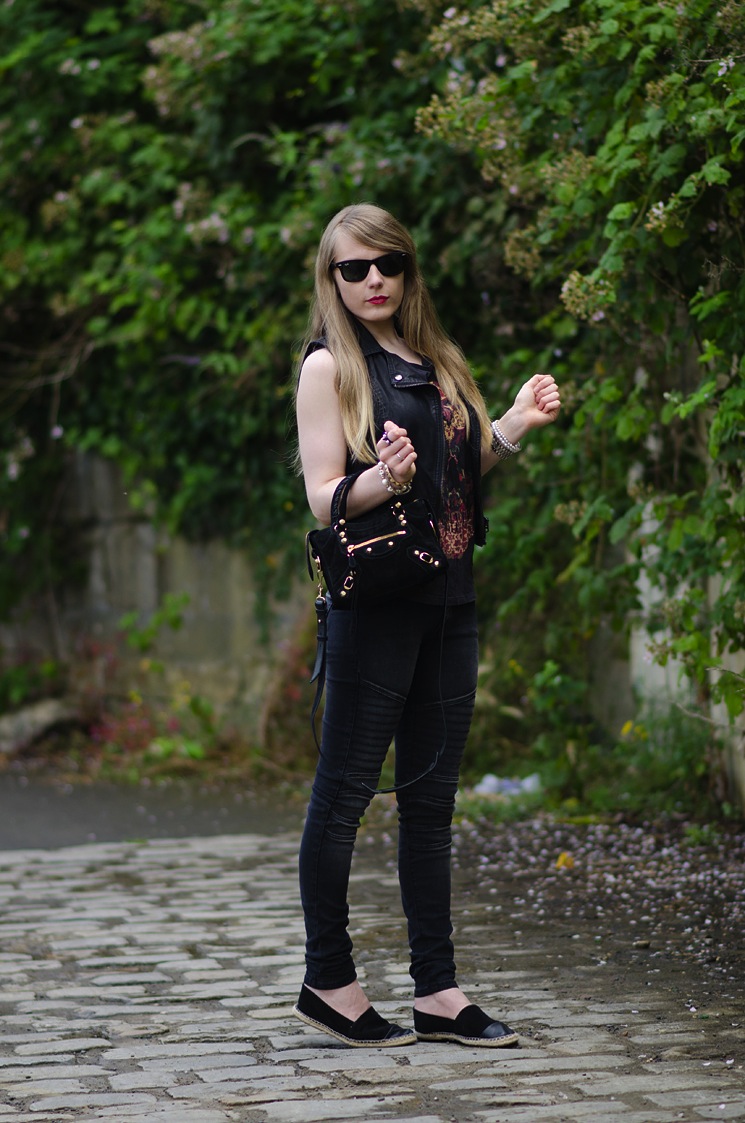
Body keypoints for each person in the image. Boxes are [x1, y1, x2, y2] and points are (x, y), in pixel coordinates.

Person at [293, 203, 561, 1048]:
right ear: (331, 278)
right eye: (354, 268)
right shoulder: (329, 367)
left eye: (388, 265)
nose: (373, 280)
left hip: (449, 602)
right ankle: (330, 978)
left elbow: (455, 471)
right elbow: (322, 496)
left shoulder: (435, 358)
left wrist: (511, 422)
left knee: (430, 803)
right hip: (375, 608)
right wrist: (380, 478)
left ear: (408, 271)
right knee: (342, 801)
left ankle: (437, 991)